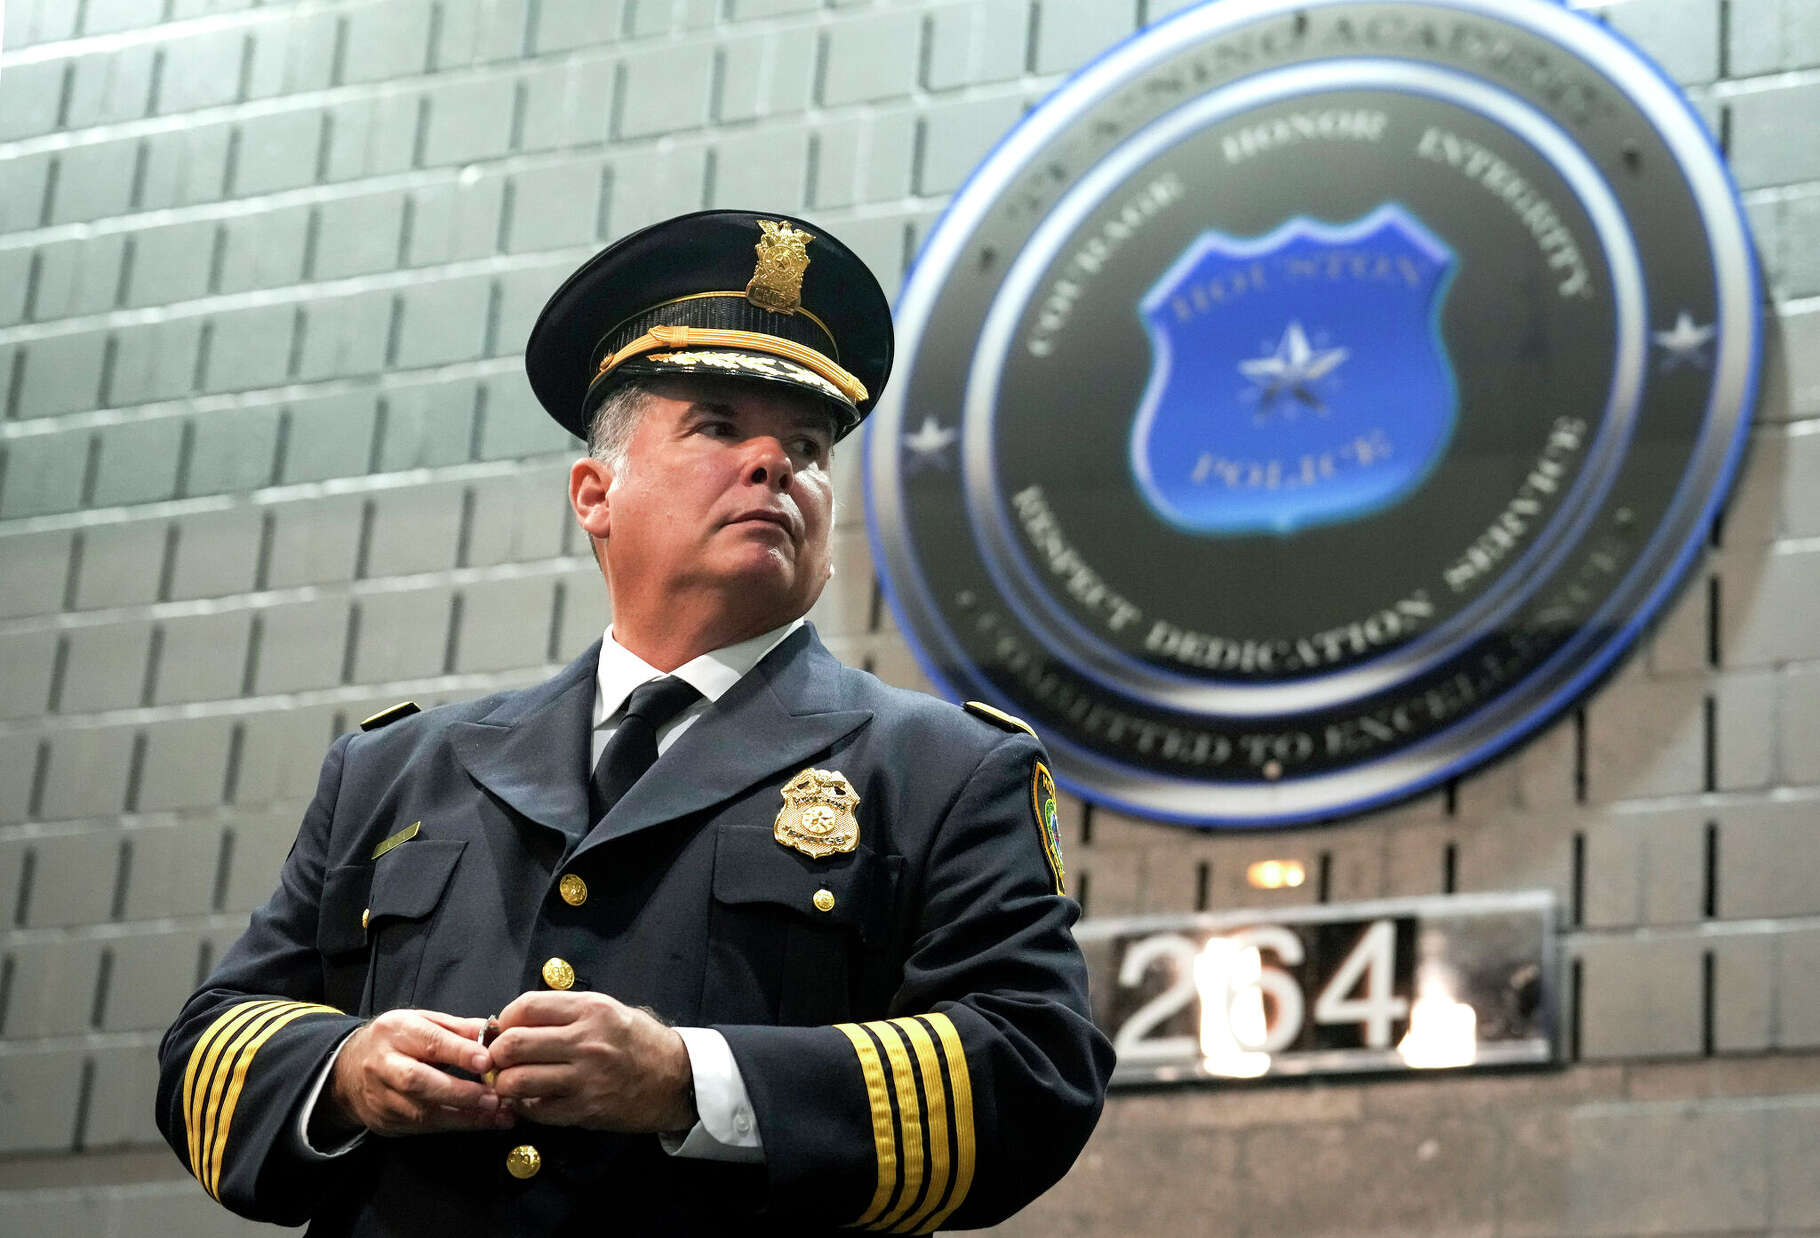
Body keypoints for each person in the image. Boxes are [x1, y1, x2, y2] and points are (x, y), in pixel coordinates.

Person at [154, 209, 1112, 1236]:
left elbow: (1034, 1067)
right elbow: (206, 1051)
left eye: (806, 446)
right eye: (717, 426)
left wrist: (689, 1078)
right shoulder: (396, 771)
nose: (775, 464)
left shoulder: (943, 771)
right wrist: (346, 1070)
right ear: (594, 493)